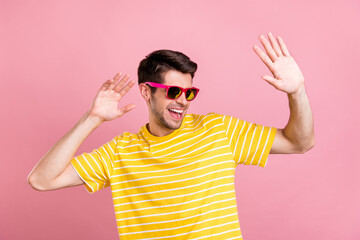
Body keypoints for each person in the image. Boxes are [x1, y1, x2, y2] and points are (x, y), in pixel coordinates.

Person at [28, 32, 315, 240]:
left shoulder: (219, 130)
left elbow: (299, 142)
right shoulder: (119, 153)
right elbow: (41, 180)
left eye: (189, 92)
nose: (183, 101)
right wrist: (91, 119)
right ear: (146, 91)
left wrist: (297, 92)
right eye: (174, 92)